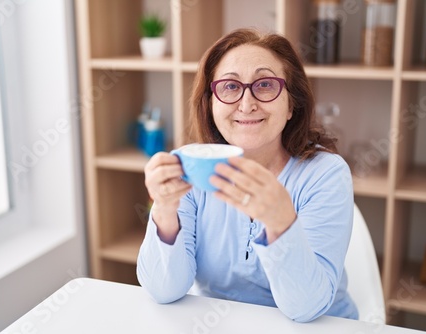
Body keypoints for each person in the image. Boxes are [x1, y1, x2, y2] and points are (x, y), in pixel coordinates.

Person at [137, 28, 358, 322]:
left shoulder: (325, 174)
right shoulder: (192, 167)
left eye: (265, 84)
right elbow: (164, 291)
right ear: (211, 103)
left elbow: (307, 309)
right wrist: (165, 209)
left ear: (292, 104)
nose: (246, 103)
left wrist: (280, 221)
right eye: (229, 87)